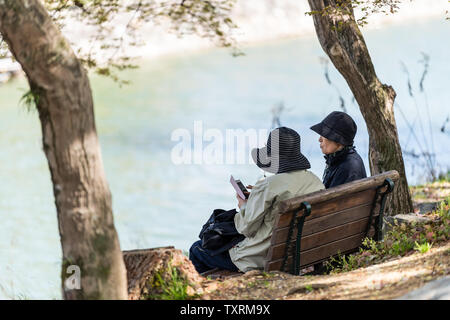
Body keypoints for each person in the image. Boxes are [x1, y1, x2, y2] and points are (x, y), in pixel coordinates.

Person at [189, 127, 324, 274]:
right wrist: (257, 196)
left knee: (197, 249)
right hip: (300, 254)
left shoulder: (268, 185)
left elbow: (246, 228)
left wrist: (244, 205)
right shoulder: (315, 181)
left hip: (264, 258)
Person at [310, 111, 367, 189]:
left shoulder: (347, 167)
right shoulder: (343, 160)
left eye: (324, 135)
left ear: (338, 141)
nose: (319, 139)